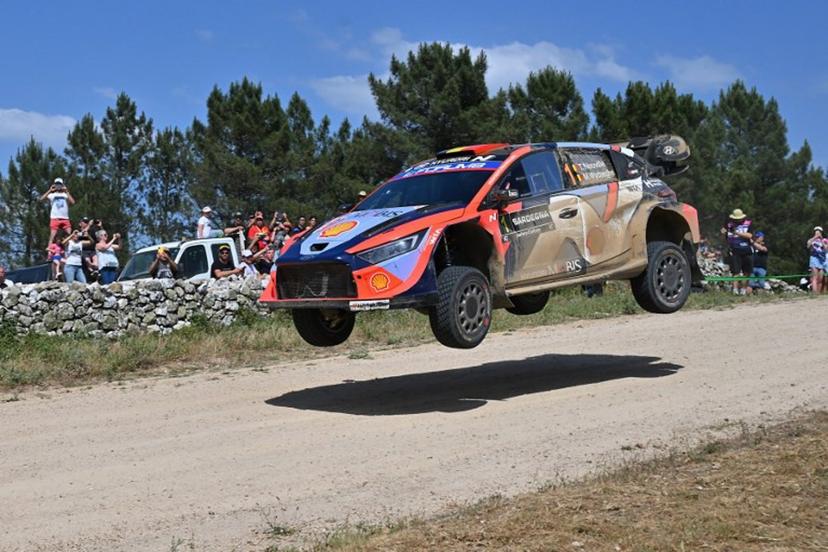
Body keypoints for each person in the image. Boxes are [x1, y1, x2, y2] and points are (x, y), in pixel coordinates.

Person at [721, 208, 753, 295]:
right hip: (734, 250)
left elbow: (750, 235)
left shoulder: (748, 223)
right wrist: (724, 233)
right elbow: (723, 235)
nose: (737, 220)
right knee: (735, 271)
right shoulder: (728, 224)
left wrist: (737, 233)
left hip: (746, 250)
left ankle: (743, 289)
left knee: (747, 272)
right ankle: (735, 290)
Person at [40, 177, 75, 243]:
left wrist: (67, 191)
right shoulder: (52, 195)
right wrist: (50, 190)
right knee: (52, 235)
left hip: (65, 218)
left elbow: (73, 202)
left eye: (59, 184)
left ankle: (69, 250)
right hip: (55, 217)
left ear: (62, 185)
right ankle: (50, 251)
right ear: (54, 185)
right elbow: (41, 199)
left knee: (70, 235)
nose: (58, 186)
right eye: (57, 184)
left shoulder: (65, 194)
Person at [807, 226, 825, 294]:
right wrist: (815, 237)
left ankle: (819, 292)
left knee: (820, 277)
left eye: (819, 231)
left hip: (821, 260)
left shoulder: (823, 240)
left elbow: (826, 249)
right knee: (815, 276)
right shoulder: (811, 240)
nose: (818, 232)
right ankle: (815, 293)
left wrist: (821, 240)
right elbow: (808, 246)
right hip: (814, 258)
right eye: (816, 231)